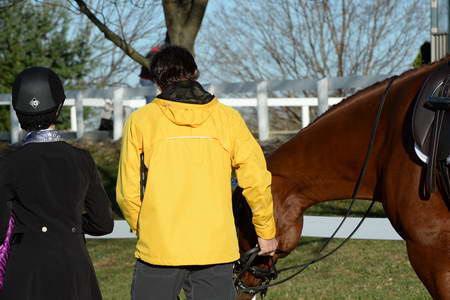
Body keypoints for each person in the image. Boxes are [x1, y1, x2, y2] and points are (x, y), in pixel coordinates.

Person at [116, 46, 278, 300]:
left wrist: (146, 229)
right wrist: (266, 232)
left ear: (157, 82)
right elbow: (256, 179)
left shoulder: (141, 121)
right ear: (195, 72)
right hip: (215, 247)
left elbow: (127, 192)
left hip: (159, 247)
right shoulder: (228, 119)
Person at [0, 67, 114, 300]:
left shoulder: (8, 162)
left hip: (27, 271)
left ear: (18, 111)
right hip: (73, 269)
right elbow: (103, 223)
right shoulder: (82, 160)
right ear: (59, 107)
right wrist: (67, 221)